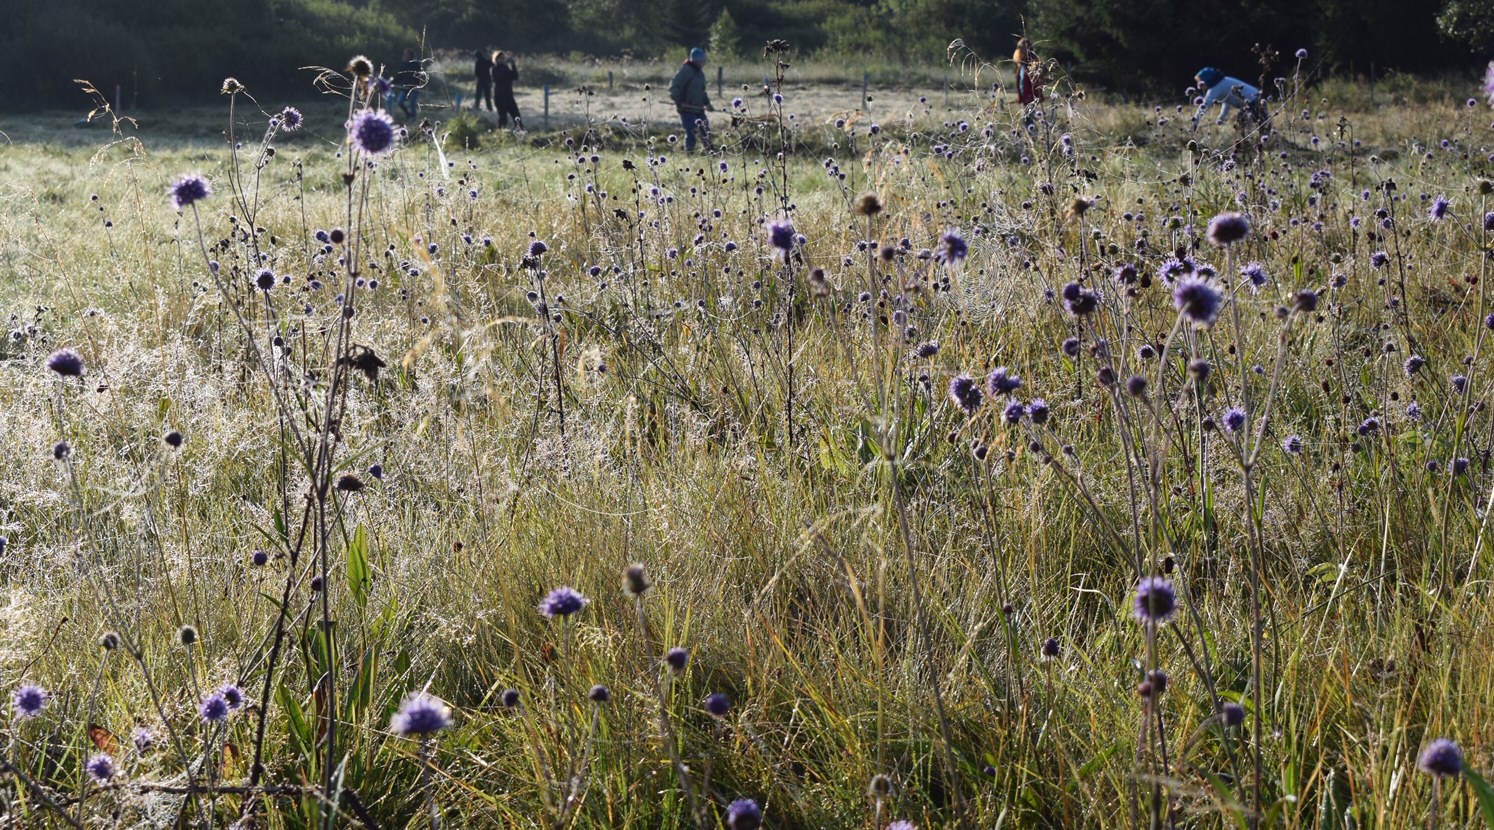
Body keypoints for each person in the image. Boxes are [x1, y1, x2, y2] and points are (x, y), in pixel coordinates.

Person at [669, 47, 714, 153]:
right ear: (696, 60)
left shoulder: (699, 73)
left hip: (698, 109)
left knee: (705, 131)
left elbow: (701, 91)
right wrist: (679, 102)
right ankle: (689, 153)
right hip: (687, 109)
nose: (704, 62)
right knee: (692, 131)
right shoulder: (686, 71)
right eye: (702, 60)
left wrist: (707, 103)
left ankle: (708, 153)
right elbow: (674, 88)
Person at [1192, 67, 1265, 128]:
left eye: (1200, 81)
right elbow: (1227, 101)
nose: (1199, 84)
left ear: (1207, 79)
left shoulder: (1215, 89)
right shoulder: (1224, 81)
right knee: (1257, 125)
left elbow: (1205, 105)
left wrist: (1194, 124)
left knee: (1259, 126)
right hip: (1254, 98)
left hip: (1252, 102)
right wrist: (1221, 118)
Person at [492, 51, 523, 129]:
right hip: (500, 97)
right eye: (501, 58)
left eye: (504, 58)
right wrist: (504, 66)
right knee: (503, 118)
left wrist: (513, 65)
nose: (503, 60)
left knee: (516, 115)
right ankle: (500, 133)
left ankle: (520, 132)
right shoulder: (495, 69)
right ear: (497, 59)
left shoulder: (506, 68)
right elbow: (498, 78)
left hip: (509, 96)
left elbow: (515, 76)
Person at [394, 48, 426, 120]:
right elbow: (399, 76)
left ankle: (413, 118)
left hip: (415, 88)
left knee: (412, 103)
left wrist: (412, 86)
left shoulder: (416, 65)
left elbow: (418, 78)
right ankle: (408, 115)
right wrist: (391, 83)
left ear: (411, 56)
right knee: (400, 102)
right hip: (405, 88)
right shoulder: (404, 65)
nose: (405, 56)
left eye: (407, 55)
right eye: (405, 54)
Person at [1013, 37, 1043, 107]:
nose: (1025, 50)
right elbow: (1018, 81)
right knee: (1025, 114)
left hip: (1032, 94)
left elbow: (1038, 80)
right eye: (1022, 48)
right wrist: (1019, 95)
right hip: (1023, 93)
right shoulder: (1020, 64)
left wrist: (1039, 94)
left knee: (1031, 114)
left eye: (1026, 47)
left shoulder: (1034, 62)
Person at [472, 47, 494, 112]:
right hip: (487, 81)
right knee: (487, 96)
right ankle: (489, 108)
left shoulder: (477, 62)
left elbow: (476, 72)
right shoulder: (485, 61)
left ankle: (476, 106)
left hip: (480, 81)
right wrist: (491, 57)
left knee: (478, 94)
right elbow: (492, 64)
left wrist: (477, 77)